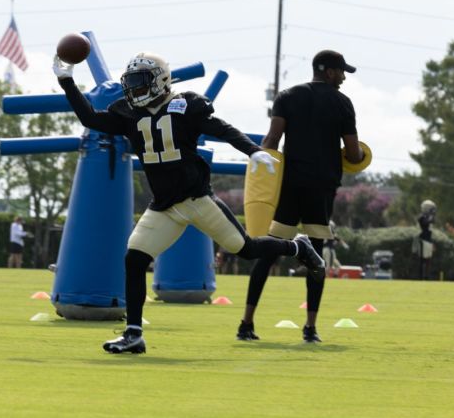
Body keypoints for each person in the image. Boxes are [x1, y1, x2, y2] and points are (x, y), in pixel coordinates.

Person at [55, 50, 320, 354]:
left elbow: (222, 128)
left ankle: (297, 246)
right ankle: (134, 334)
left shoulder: (184, 106)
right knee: (135, 259)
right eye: (131, 83)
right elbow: (89, 117)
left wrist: (252, 151)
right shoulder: (129, 114)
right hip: (164, 207)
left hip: (197, 200)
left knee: (245, 249)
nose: (133, 90)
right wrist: (66, 81)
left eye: (140, 83)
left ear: (160, 81)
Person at [240, 49, 362, 344]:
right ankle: (310, 328)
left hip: (288, 187)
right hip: (321, 189)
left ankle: (246, 323)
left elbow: (271, 141)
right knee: (316, 257)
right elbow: (355, 154)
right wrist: (357, 156)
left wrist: (261, 183)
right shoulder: (343, 103)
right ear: (329, 71)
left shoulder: (287, 96)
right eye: (342, 72)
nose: (344, 78)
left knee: (268, 252)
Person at [415, 200, 436, 280]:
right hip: (422, 239)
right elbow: (426, 223)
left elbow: (432, 222)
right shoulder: (421, 217)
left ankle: (426, 277)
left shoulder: (429, 217)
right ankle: (420, 277)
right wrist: (431, 215)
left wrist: (432, 215)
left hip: (428, 239)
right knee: (422, 260)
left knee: (428, 260)